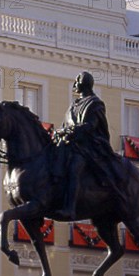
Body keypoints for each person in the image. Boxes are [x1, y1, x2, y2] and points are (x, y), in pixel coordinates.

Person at [53, 71, 123, 219]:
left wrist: (74, 130)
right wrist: (59, 132)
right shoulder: (74, 105)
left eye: (77, 81)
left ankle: (70, 208)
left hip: (88, 146)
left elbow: (91, 125)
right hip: (70, 144)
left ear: (84, 83)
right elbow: (65, 124)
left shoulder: (95, 103)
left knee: (74, 168)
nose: (74, 85)